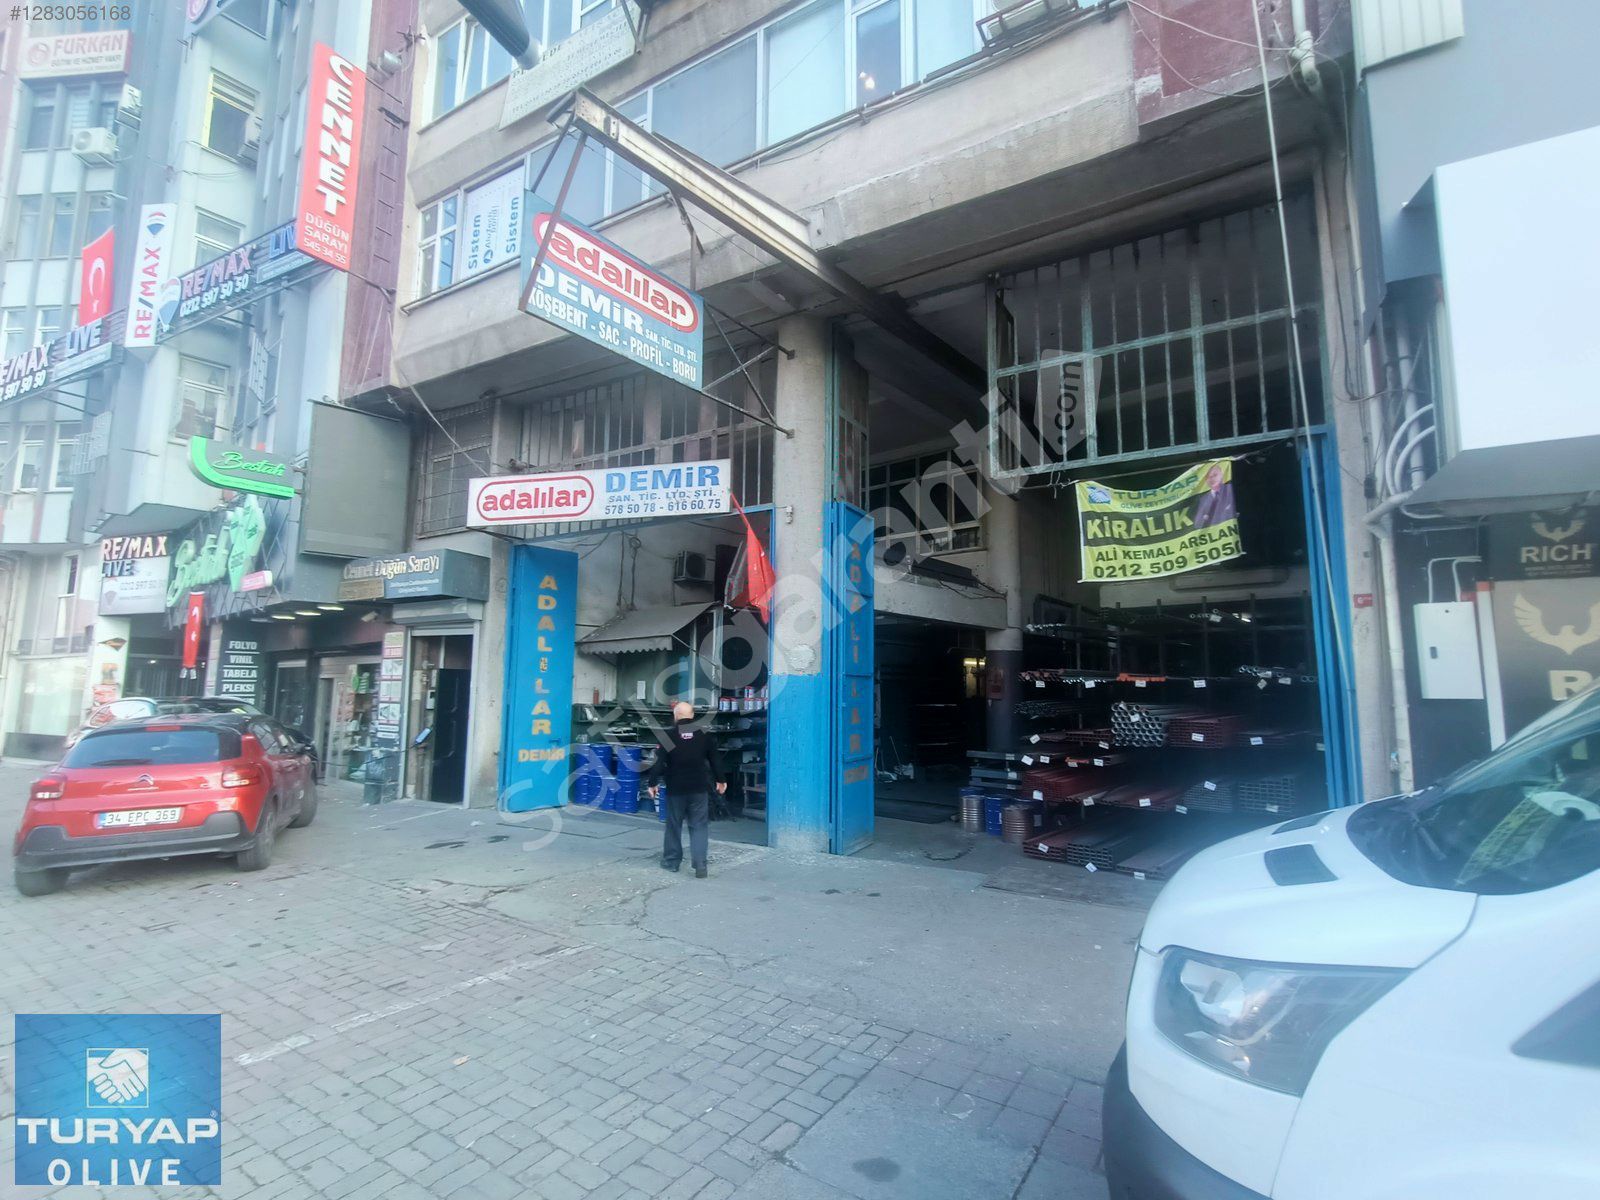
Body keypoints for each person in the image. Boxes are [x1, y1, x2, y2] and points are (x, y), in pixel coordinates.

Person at [646, 701, 726, 879]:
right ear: (692, 716)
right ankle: (700, 864)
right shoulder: (704, 735)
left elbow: (659, 763)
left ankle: (672, 862)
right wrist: (721, 780)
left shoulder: (669, 736)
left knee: (674, 825)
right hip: (699, 788)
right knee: (699, 825)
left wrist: (652, 783)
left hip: (676, 789)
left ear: (675, 716)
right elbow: (715, 760)